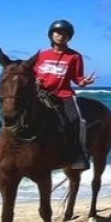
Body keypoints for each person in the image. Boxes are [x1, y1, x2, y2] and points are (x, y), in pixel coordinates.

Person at [34, 19, 97, 170]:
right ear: (51, 35)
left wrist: (83, 82)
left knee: (76, 119)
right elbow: (33, 73)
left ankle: (79, 155)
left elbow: (77, 78)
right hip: (41, 94)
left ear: (69, 37)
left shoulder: (74, 56)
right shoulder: (41, 55)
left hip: (63, 95)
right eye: (57, 33)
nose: (60, 36)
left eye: (65, 34)